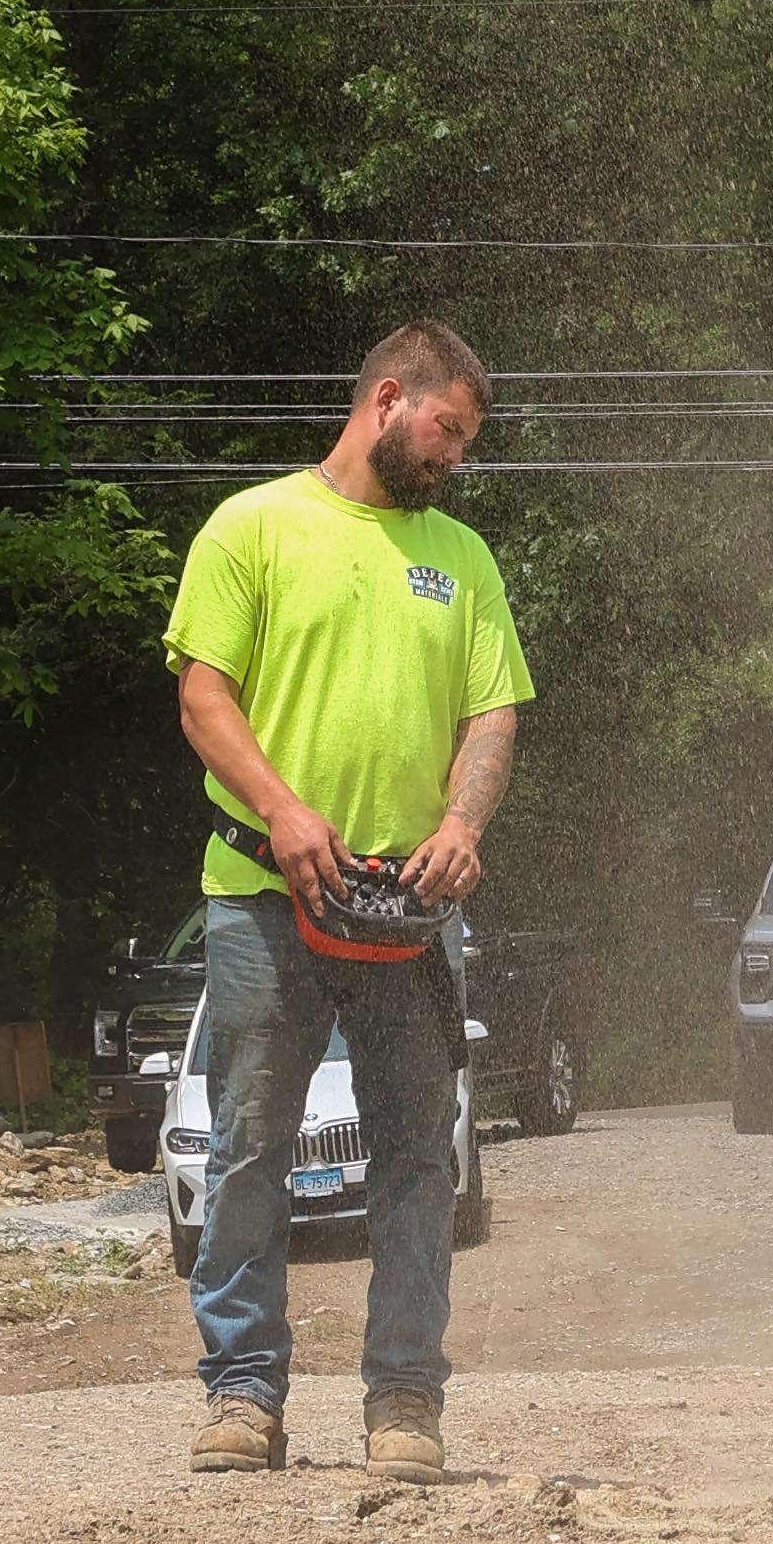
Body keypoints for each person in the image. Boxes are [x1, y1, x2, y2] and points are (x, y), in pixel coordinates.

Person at [161, 317, 532, 1480]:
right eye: (448, 431)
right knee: (249, 1150)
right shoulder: (254, 527)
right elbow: (203, 696)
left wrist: (463, 826)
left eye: (465, 442)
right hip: (265, 901)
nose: (456, 459)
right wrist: (281, 805)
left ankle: (405, 1405)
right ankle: (241, 1397)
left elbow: (493, 714)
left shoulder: (460, 560)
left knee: (421, 1154)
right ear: (386, 399)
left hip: (408, 916)